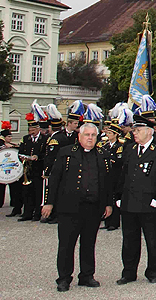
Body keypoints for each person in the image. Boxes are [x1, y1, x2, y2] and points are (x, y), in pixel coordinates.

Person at [43, 123, 113, 292]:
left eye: (93, 135)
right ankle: (64, 278)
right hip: (70, 207)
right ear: (79, 136)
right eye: (87, 135)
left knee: (89, 243)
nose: (90, 138)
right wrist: (49, 202)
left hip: (93, 207)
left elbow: (108, 181)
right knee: (67, 244)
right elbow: (54, 179)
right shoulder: (66, 153)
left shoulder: (103, 154)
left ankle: (87, 276)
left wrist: (108, 203)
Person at [115, 115, 156, 285]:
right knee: (129, 240)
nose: (134, 133)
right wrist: (118, 195)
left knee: (152, 240)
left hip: (150, 202)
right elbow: (122, 173)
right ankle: (129, 272)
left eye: (138, 130)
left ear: (149, 132)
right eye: (134, 130)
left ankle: (153, 271)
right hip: (129, 202)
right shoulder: (130, 149)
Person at [18, 116, 46, 221]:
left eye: (33, 130)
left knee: (38, 192)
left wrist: (37, 157)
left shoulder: (44, 139)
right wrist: (22, 158)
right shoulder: (26, 139)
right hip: (27, 170)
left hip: (38, 169)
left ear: (38, 129)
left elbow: (45, 153)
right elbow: (20, 151)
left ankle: (37, 213)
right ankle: (27, 213)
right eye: (30, 130)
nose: (31, 132)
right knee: (27, 192)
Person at [101, 122, 124, 230]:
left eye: (110, 133)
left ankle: (114, 223)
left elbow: (119, 161)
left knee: (114, 197)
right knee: (106, 197)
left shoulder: (119, 146)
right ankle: (107, 220)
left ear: (115, 134)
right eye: (108, 132)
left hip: (115, 175)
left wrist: (110, 159)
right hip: (106, 174)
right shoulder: (104, 145)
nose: (108, 134)